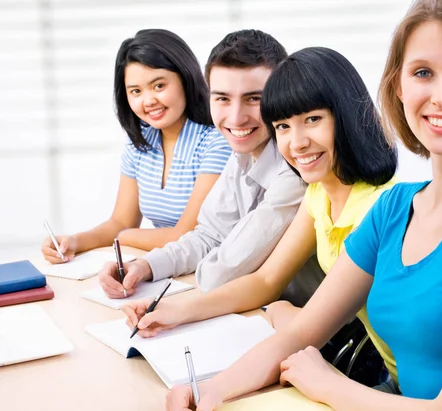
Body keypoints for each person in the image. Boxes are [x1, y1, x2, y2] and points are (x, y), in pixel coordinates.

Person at [165, 0, 442, 410]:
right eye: (423, 72)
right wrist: (207, 392)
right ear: (399, 88)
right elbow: (300, 334)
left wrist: (327, 383)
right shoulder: (393, 209)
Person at [122, 47, 399, 388]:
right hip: (392, 375)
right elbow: (266, 281)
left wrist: (279, 311)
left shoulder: (380, 206)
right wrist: (174, 312)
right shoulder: (318, 194)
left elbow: (308, 325)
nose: (296, 143)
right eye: (283, 126)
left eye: (313, 119)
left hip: (403, 383)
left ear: (345, 116)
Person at [98, 29, 325, 302]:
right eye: (222, 98)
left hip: (318, 333)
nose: (236, 118)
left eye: (254, 98)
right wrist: (145, 266)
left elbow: (220, 275)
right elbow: (207, 236)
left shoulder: (297, 170)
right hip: (260, 314)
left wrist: (203, 260)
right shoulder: (240, 158)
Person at [40, 29, 231, 261]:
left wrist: (125, 236)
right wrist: (74, 241)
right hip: (165, 265)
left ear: (185, 78)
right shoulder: (140, 143)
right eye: (136, 91)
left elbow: (186, 235)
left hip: (211, 268)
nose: (148, 101)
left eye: (159, 86)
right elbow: (120, 222)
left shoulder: (216, 142)